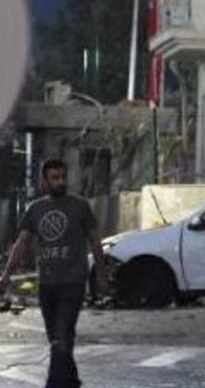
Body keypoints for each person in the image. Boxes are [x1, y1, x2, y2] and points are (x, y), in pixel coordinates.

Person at [0, 158, 107, 388]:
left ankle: (55, 384)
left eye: (62, 177)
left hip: (73, 282)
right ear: (44, 182)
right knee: (58, 339)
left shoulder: (80, 206)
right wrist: (6, 276)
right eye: (54, 178)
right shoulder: (35, 209)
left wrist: (101, 273)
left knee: (61, 335)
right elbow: (22, 243)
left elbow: (95, 241)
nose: (60, 182)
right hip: (48, 284)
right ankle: (71, 381)